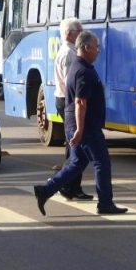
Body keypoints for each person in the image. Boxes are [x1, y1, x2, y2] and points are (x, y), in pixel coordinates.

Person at [34, 31, 127, 216]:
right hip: (86, 126)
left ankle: (45, 190)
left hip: (79, 125)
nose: (98, 51)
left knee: (76, 164)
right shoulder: (83, 70)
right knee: (101, 162)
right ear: (86, 48)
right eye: (96, 47)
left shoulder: (80, 67)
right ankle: (105, 203)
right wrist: (80, 130)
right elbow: (80, 102)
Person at [53, 18, 91, 201]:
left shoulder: (67, 51)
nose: (82, 35)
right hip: (67, 102)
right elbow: (73, 85)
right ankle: (67, 185)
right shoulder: (69, 54)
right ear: (69, 34)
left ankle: (70, 185)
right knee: (76, 147)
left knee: (73, 147)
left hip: (65, 101)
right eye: (79, 31)